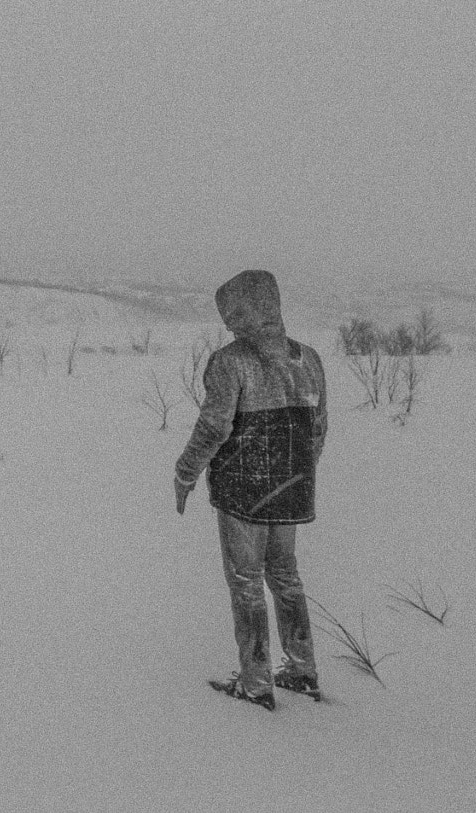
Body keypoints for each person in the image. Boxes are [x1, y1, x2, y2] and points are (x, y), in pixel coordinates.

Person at [173, 269, 327, 711]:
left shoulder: (230, 361)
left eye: (230, 312)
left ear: (248, 311)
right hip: (292, 490)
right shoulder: (311, 359)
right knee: (286, 577)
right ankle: (302, 669)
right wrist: (296, 474)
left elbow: (213, 428)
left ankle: (256, 683)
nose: (227, 323)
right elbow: (318, 430)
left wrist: (185, 473)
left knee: (246, 584)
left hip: (242, 492)